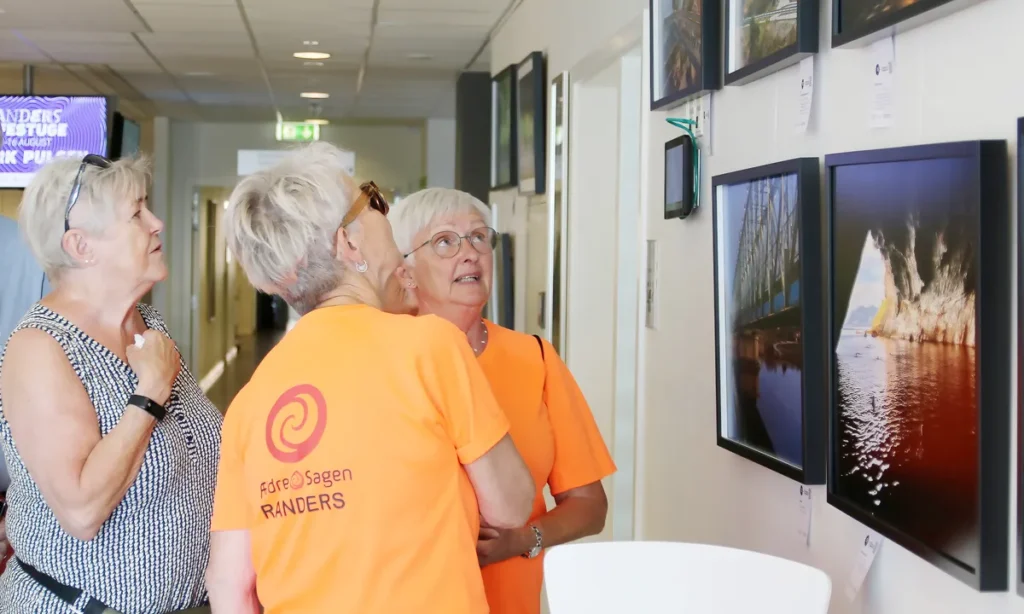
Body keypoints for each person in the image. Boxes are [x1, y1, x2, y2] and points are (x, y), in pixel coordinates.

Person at [205, 142, 535, 614]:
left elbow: (230, 585)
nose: (387, 214)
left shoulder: (251, 401)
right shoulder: (430, 346)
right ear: (349, 243)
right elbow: (511, 507)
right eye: (374, 202)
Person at [0, 152, 223, 613]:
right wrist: (148, 397)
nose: (157, 222)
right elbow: (82, 512)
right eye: (137, 213)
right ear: (82, 247)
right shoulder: (40, 348)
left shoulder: (147, 324)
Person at [388, 187, 617, 614]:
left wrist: (523, 539)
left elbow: (590, 506)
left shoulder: (535, 358)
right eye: (444, 242)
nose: (470, 253)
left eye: (479, 237)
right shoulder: (384, 364)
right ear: (407, 271)